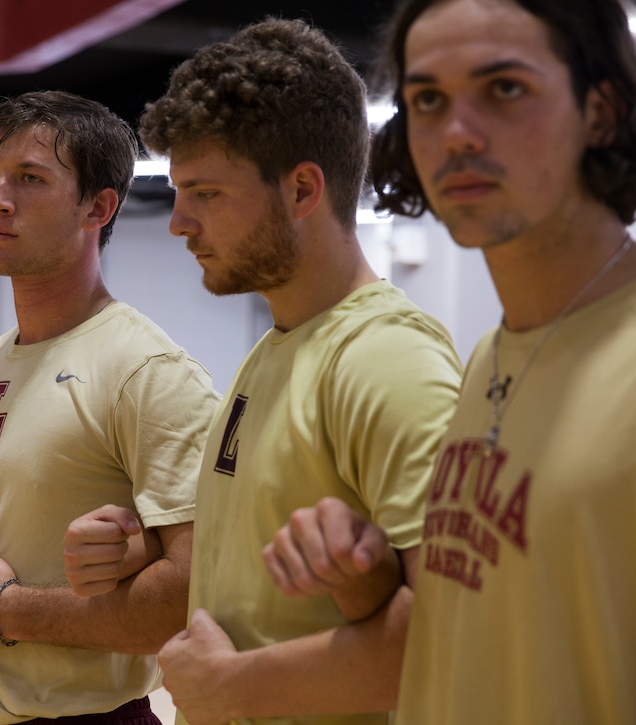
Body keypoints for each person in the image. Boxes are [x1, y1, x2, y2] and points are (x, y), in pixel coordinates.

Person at [358, 0, 636, 722]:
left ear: (600, 112)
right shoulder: (489, 356)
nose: (456, 133)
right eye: (427, 99)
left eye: (504, 89)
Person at [137, 17, 463, 725]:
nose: (178, 222)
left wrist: (235, 686)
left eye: (207, 193)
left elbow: (458, 635)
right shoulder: (277, 346)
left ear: (303, 190)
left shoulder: (388, 359)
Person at [0, 90, 219, 724]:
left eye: (29, 179)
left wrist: (1, 609)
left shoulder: (146, 370)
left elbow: (193, 593)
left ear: (98, 208)